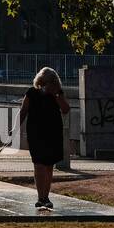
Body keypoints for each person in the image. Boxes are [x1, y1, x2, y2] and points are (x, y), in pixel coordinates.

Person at [19, 67, 70, 210]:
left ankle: (45, 197)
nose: (50, 85)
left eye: (53, 82)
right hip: (36, 133)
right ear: (41, 81)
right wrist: (15, 128)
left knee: (49, 165)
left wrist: (56, 96)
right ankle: (40, 196)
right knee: (38, 164)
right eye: (47, 82)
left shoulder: (58, 93)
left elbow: (66, 110)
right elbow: (23, 111)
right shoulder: (31, 92)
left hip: (53, 133)